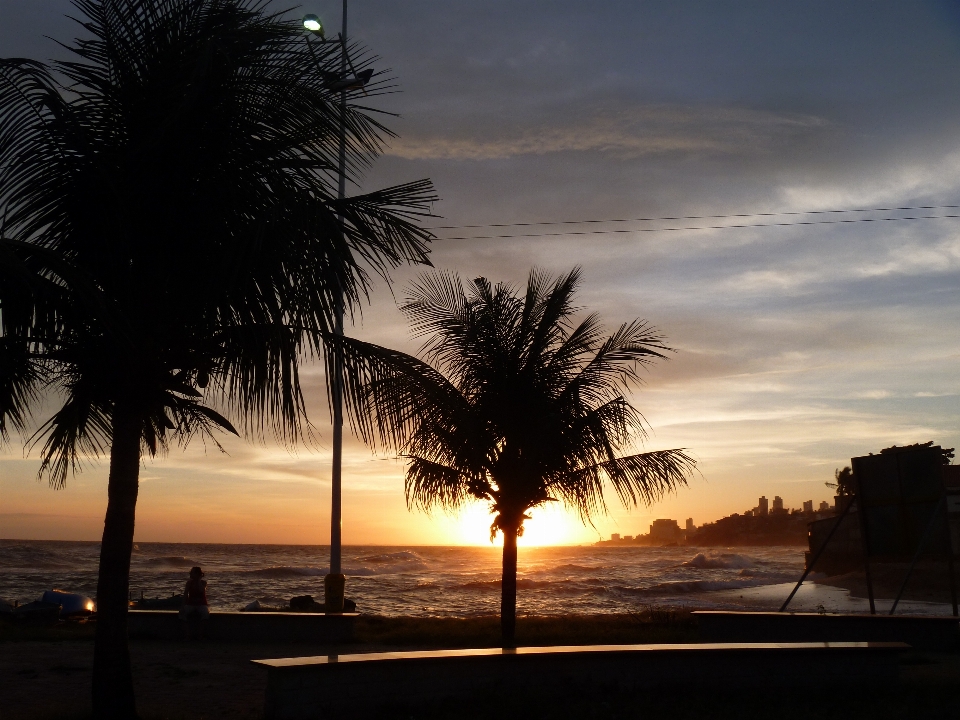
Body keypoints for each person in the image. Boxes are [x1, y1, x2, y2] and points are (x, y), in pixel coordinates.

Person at [178, 566, 209, 638]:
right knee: (182, 614)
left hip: (202, 604)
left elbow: (202, 590)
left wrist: (198, 580)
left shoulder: (203, 583)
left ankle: (200, 634)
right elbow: (185, 595)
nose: (190, 574)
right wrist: (182, 606)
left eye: (192, 572)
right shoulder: (189, 583)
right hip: (191, 604)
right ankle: (187, 634)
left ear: (197, 574)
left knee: (205, 614)